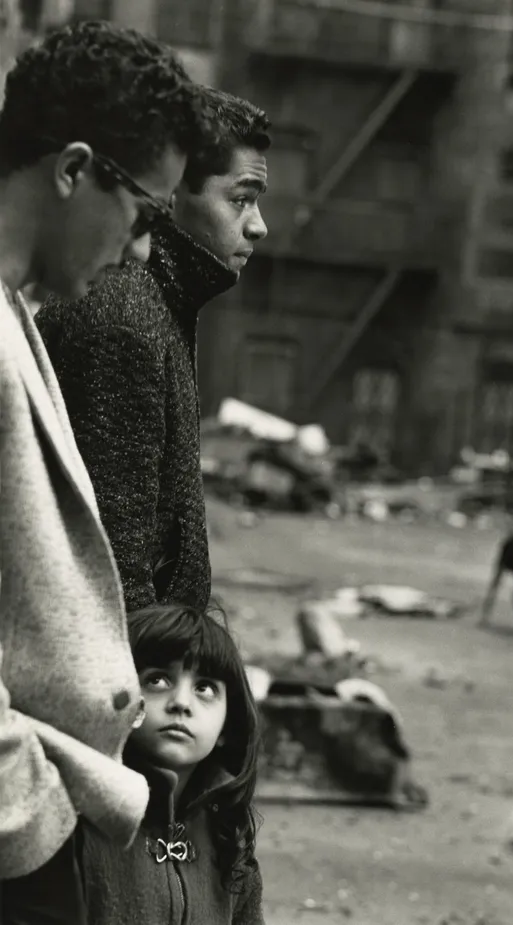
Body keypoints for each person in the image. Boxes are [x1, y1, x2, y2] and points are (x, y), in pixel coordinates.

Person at [0, 16, 204, 915]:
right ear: (73, 169)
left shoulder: (17, 316)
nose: (141, 249)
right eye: (143, 212)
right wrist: (29, 816)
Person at [37, 89, 270, 615]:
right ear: (172, 195)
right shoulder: (125, 316)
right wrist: (160, 685)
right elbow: (116, 578)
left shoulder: (156, 301)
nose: (258, 224)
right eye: (241, 198)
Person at [78, 602, 264, 925]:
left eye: (204, 688)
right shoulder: (79, 823)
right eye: (158, 681)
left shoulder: (228, 839)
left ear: (227, 726)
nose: (181, 702)